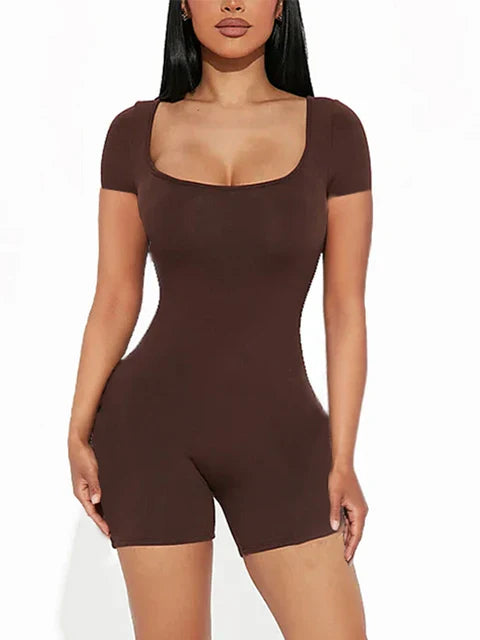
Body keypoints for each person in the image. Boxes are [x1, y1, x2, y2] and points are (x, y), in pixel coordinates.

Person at [67, 0, 373, 638]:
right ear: (183, 4)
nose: (233, 3)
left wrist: (342, 456)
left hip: (280, 434)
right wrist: (77, 428)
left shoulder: (334, 130)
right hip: (148, 430)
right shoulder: (134, 131)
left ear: (281, 5)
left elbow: (344, 308)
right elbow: (116, 294)